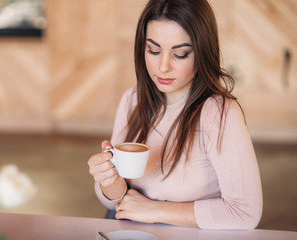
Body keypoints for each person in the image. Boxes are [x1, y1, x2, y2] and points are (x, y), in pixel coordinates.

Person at [87, 0, 263, 230]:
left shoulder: (218, 113)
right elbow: (119, 203)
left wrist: (155, 210)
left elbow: (245, 213)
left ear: (202, 53)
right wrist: (109, 182)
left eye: (180, 54)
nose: (163, 66)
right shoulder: (133, 100)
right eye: (153, 50)